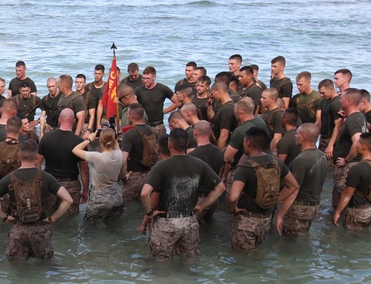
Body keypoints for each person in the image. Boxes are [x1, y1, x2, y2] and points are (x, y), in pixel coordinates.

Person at [139, 128, 226, 258]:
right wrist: (202, 205)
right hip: (189, 221)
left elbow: (145, 193)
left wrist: (149, 213)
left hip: (166, 222)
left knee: (161, 263)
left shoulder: (161, 167)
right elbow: (220, 187)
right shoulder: (199, 164)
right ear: (187, 145)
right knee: (190, 262)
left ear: (170, 144)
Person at [0, 139, 72, 260]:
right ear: (37, 156)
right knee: (45, 268)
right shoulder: (46, 177)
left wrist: (4, 217)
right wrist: (53, 218)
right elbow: (68, 200)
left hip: (18, 230)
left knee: (16, 271)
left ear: (19, 155)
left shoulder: (9, 178)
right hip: (40, 230)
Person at [228, 127, 299, 251]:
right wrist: (275, 200)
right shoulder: (276, 162)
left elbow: (233, 196)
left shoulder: (244, 167)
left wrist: (232, 210)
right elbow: (293, 186)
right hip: (266, 220)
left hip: (246, 220)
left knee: (242, 261)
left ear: (248, 142)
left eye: (244, 141)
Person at [38, 108, 87, 216]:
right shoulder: (79, 142)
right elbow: (84, 171)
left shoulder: (46, 138)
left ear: (59, 120)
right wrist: (86, 190)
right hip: (71, 185)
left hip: (50, 182)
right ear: (74, 121)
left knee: (49, 215)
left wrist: (37, 185)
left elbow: (37, 163)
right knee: (69, 218)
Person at [281, 124, 328, 236]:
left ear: (303, 137)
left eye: (297, 133)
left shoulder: (301, 160)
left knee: (291, 240)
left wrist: (278, 210)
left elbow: (293, 190)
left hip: (299, 208)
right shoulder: (322, 155)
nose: (295, 136)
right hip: (313, 206)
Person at [332, 133, 371, 230]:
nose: (355, 146)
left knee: (350, 240)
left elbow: (347, 194)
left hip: (358, 211)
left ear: (363, 146)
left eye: (357, 143)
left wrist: (337, 212)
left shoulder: (357, 169)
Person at [73, 128, 125, 221]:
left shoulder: (96, 157)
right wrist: (113, 135)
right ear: (113, 140)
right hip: (116, 197)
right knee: (114, 226)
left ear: (99, 140)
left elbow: (75, 150)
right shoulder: (119, 155)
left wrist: (89, 139)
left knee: (89, 229)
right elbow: (115, 144)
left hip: (99, 199)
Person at [329, 89, 367, 208]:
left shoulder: (353, 120)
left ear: (348, 101)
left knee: (340, 198)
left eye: (342, 98)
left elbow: (358, 142)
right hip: (357, 163)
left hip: (347, 166)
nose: (339, 100)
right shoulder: (360, 115)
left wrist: (347, 160)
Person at [119, 104, 159, 202]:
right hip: (149, 177)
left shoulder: (129, 135)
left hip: (133, 177)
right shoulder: (152, 130)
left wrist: (123, 177)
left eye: (128, 114)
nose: (127, 116)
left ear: (132, 116)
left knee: (121, 204)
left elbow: (123, 160)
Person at [135, 66, 177, 130]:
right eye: (143, 78)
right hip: (144, 125)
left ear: (154, 77)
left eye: (148, 78)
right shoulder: (138, 90)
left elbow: (177, 102)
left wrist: (163, 111)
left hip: (158, 125)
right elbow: (133, 104)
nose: (145, 81)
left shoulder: (163, 89)